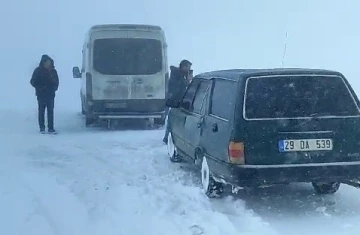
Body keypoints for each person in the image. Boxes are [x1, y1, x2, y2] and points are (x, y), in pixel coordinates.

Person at [163, 59, 192, 144]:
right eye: (188, 67)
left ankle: (169, 137)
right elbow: (177, 87)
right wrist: (187, 81)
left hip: (179, 100)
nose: (188, 69)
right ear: (183, 66)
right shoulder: (176, 75)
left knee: (174, 119)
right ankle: (167, 137)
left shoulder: (181, 75)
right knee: (172, 119)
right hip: (175, 101)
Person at [30, 54, 59, 134]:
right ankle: (42, 128)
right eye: (46, 62)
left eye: (49, 62)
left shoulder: (53, 71)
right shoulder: (38, 71)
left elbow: (57, 81)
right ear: (43, 63)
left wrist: (54, 88)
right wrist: (39, 88)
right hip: (41, 95)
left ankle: (51, 128)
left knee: (50, 112)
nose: (48, 64)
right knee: (41, 111)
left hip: (50, 95)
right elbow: (32, 81)